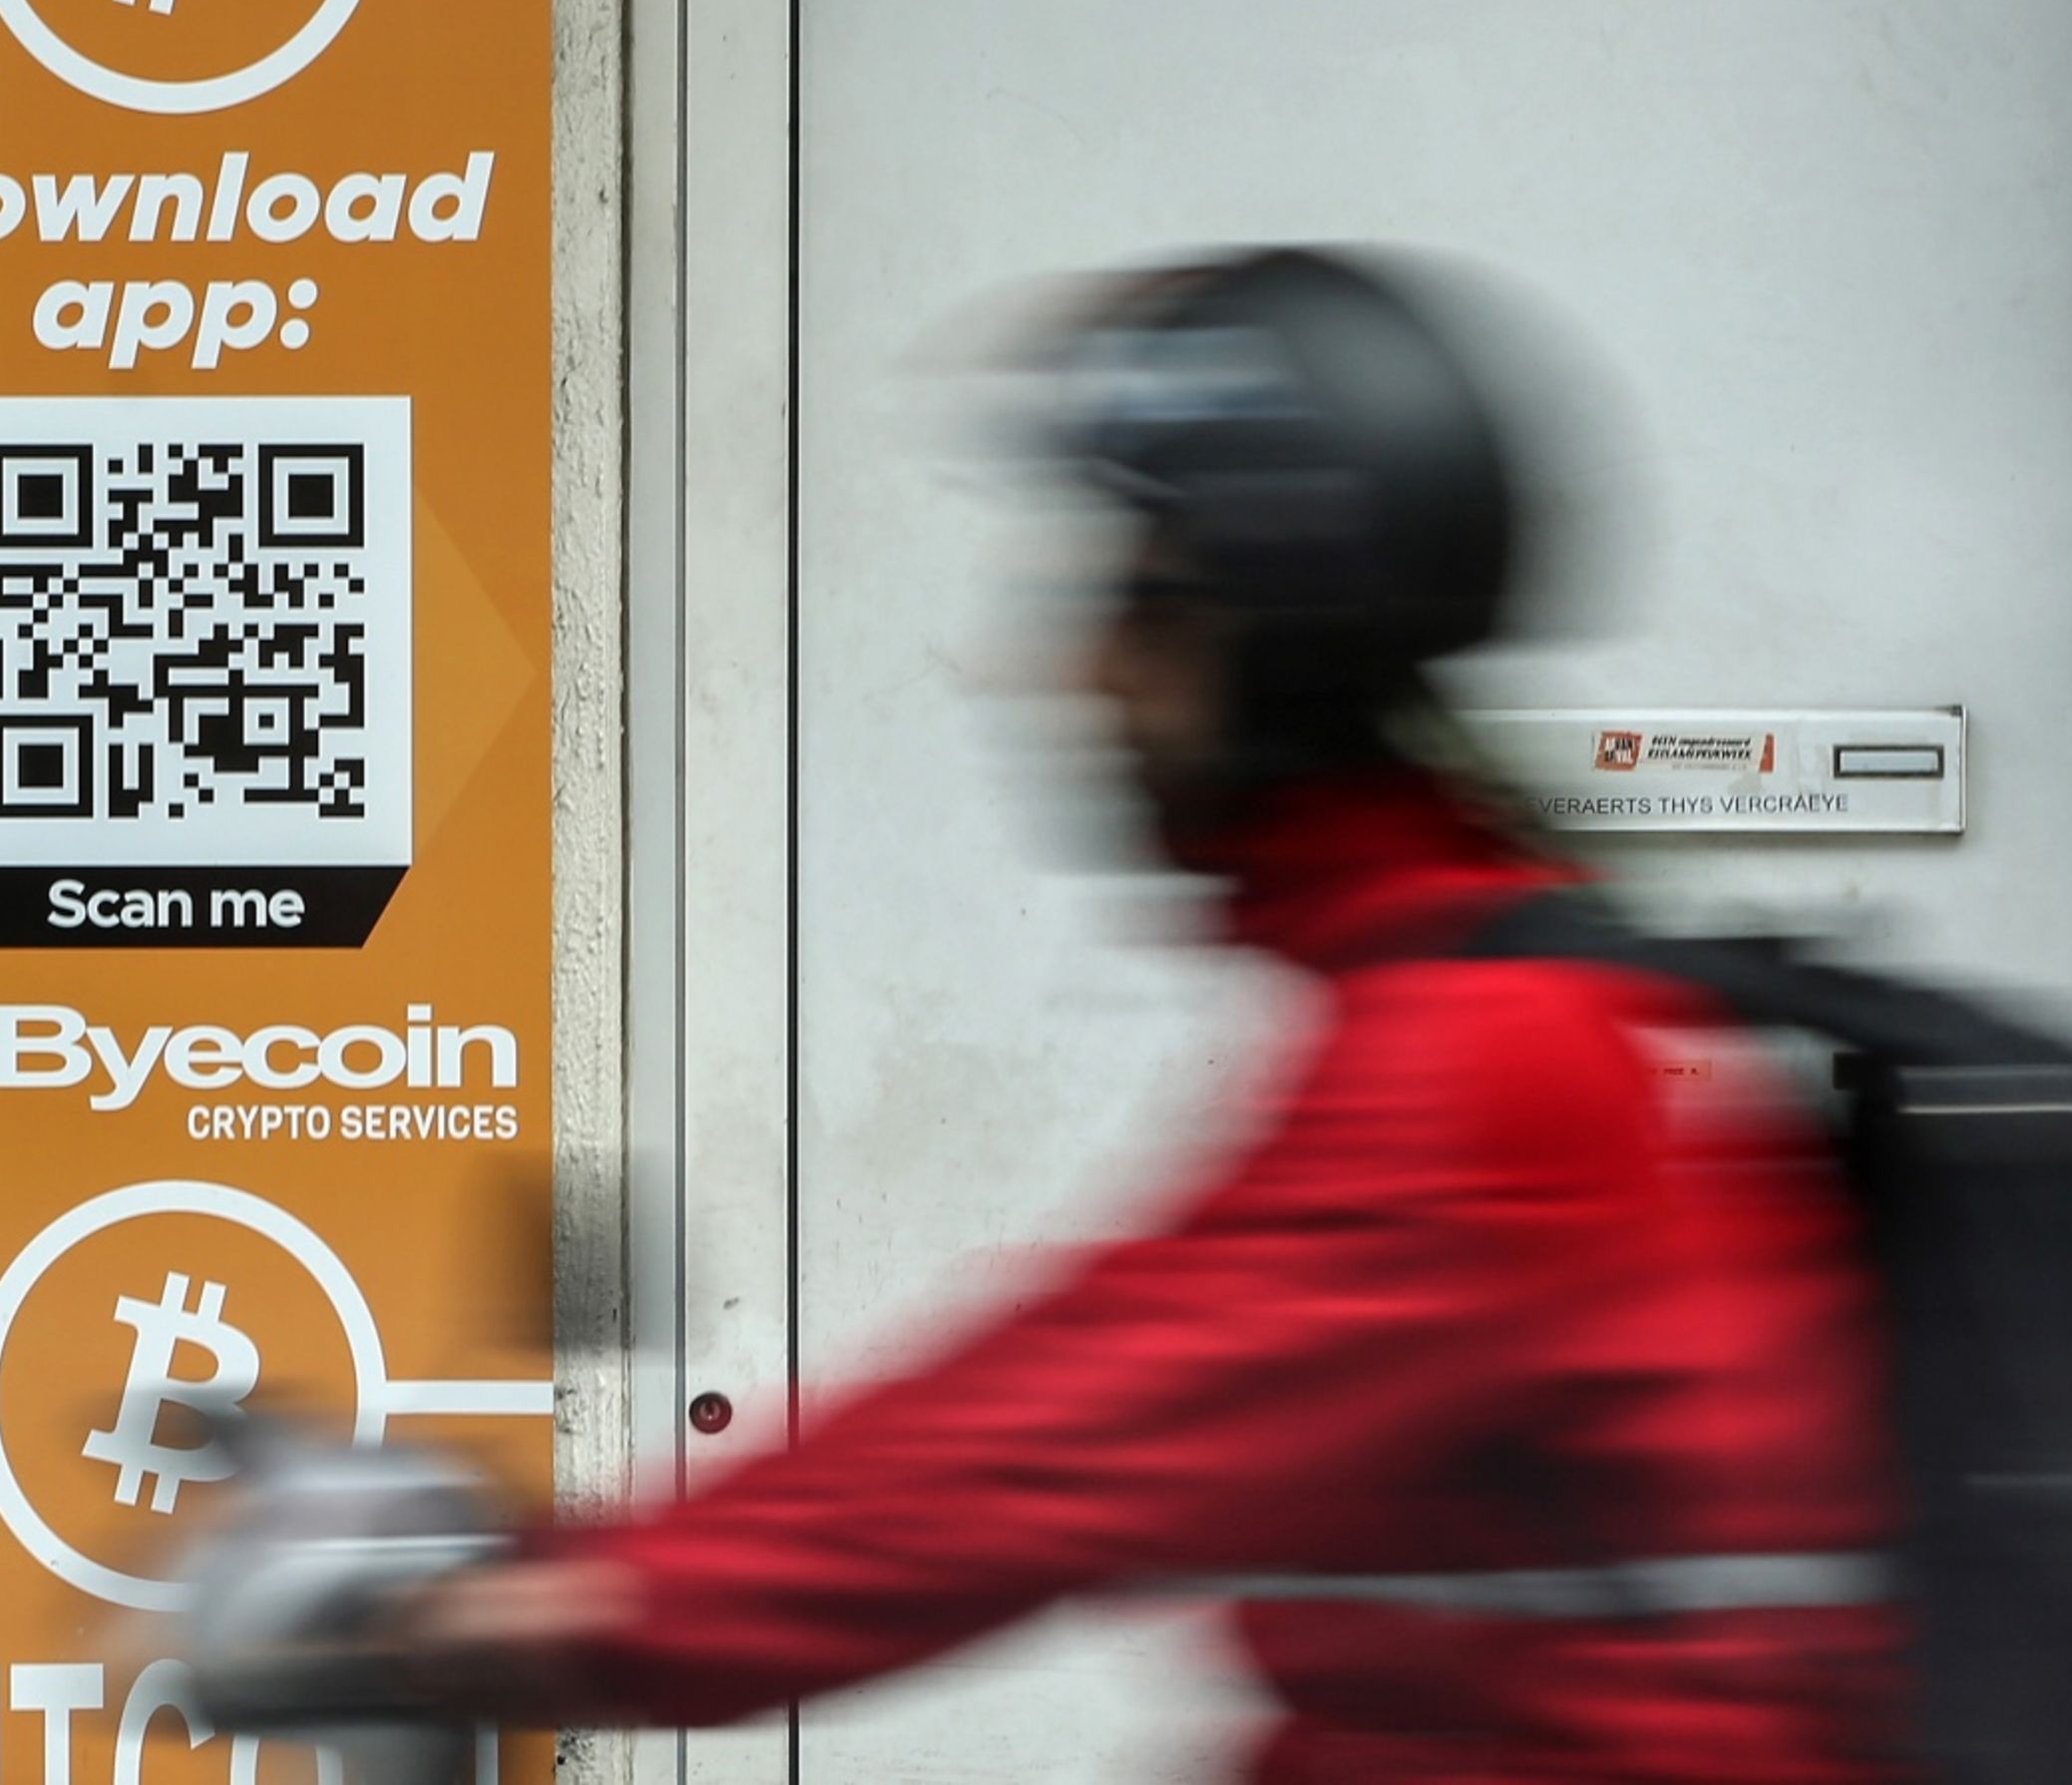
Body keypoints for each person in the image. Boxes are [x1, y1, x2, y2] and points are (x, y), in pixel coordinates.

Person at [387, 247, 1912, 1780]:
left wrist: (542, 1607)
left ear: (1268, 645)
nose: (1079, 674)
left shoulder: (1489, 1060)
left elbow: (1033, 1461)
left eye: (1136, 610)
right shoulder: (1501, 1004)